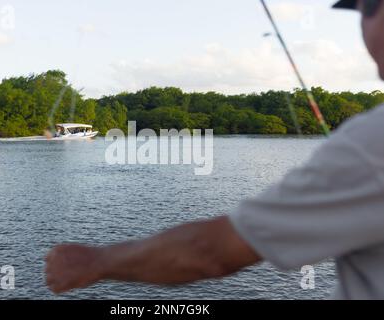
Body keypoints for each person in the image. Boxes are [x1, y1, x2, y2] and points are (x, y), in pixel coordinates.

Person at [45, 0, 384, 299]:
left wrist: (94, 262)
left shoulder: (371, 142)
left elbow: (209, 252)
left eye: (368, 6)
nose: (362, 25)